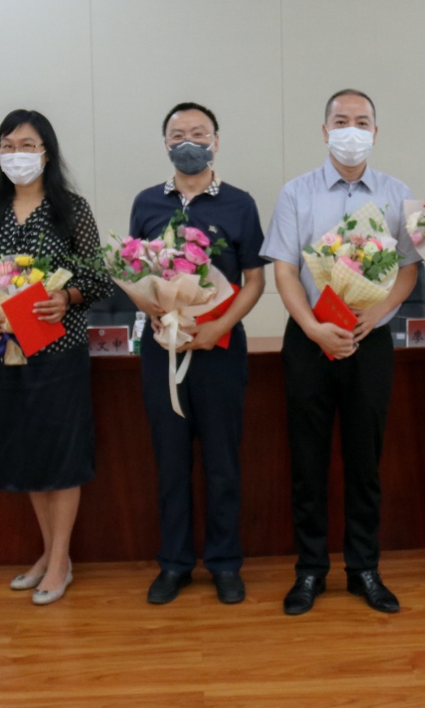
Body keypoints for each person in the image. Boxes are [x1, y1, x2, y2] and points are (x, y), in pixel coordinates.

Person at [260, 89, 421, 616]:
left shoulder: (397, 194)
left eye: (362, 121)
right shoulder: (296, 192)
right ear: (325, 130)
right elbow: (285, 270)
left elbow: (408, 269)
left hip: (369, 340)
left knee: (364, 462)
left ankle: (363, 569)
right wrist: (312, 327)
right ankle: (309, 570)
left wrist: (378, 314)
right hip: (310, 341)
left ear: (376, 131)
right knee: (307, 462)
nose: (352, 130)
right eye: (342, 121)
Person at [0, 109, 111, 605]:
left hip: (56, 350)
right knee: (27, 454)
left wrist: (65, 298)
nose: (16, 154)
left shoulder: (71, 208)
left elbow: (98, 278)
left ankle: (60, 560)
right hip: (3, 351)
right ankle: (48, 552)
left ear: (47, 152)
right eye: (8, 146)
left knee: (60, 455)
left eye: (27, 145)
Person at [129, 101, 266, 605]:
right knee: (170, 462)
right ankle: (175, 563)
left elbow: (255, 280)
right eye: (178, 134)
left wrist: (217, 328)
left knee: (223, 463)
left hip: (219, 348)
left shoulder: (239, 203)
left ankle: (225, 563)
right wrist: (150, 308)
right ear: (166, 143)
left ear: (216, 142)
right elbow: (133, 269)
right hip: (161, 349)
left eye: (199, 133)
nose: (189, 142)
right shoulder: (147, 202)